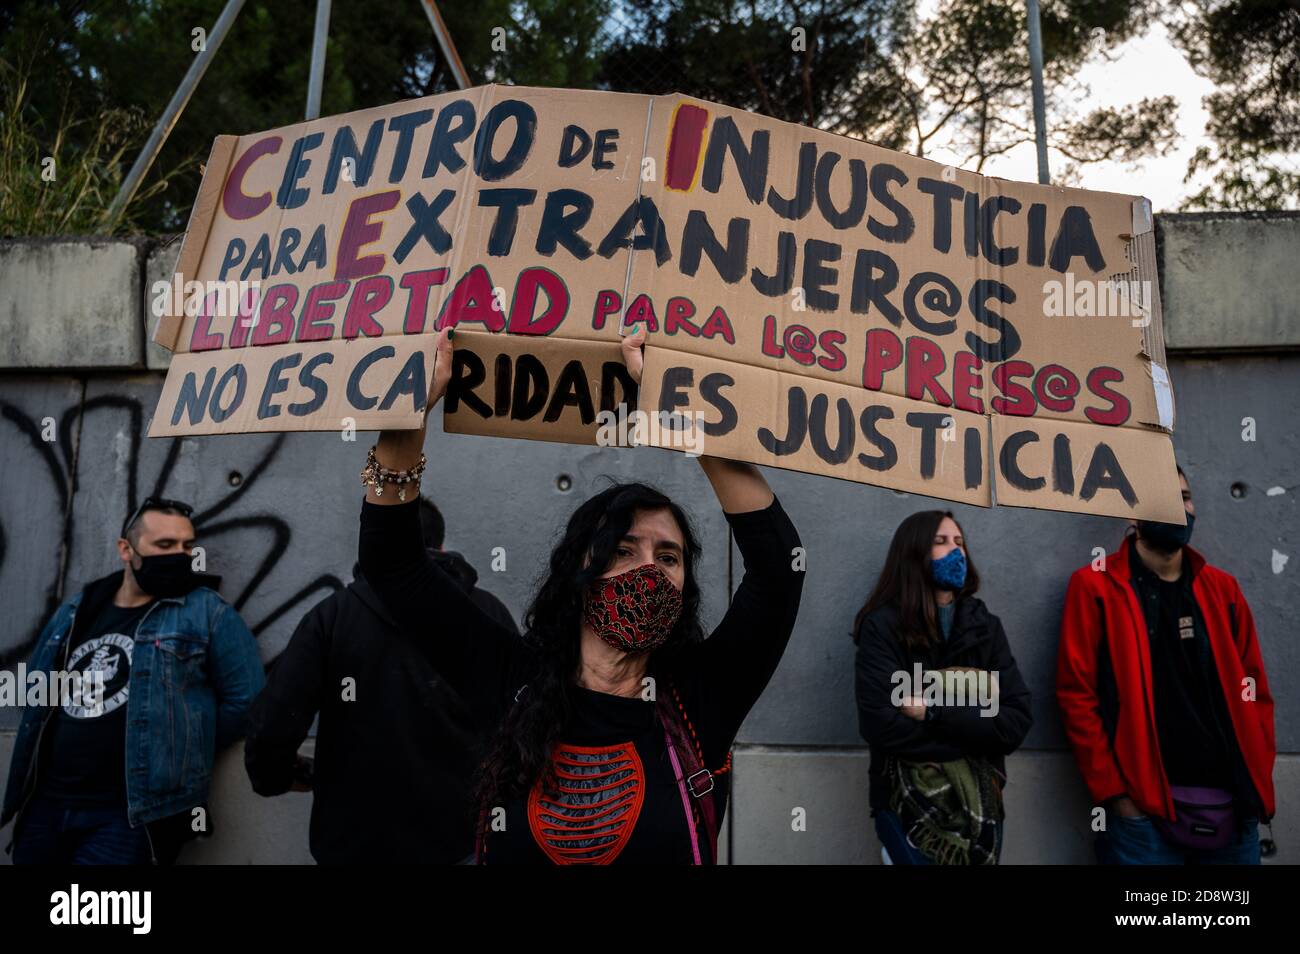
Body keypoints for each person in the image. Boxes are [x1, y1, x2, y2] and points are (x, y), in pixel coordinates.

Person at [354, 327, 803, 864]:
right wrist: (409, 413)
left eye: (668, 557)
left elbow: (780, 569)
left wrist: (685, 413)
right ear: (579, 569)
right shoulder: (512, 684)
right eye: (623, 550)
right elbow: (395, 565)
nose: (647, 570)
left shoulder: (700, 701)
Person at [244, 496, 519, 864]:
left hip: (355, 842)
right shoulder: (488, 612)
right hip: (458, 838)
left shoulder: (334, 615)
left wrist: (276, 776)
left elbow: (276, 721)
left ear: (374, 539)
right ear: (439, 545)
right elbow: (523, 722)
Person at [2, 497, 264, 865]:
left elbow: (247, 700)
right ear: (126, 549)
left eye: (186, 546)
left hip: (129, 816)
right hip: (45, 804)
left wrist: (182, 744)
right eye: (164, 545)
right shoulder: (80, 609)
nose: (179, 554)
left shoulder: (207, 612)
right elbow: (40, 692)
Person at [1057, 466, 1274, 864]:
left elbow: (1255, 689)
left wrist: (1257, 775)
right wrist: (1117, 797)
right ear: (1133, 515)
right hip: (1145, 820)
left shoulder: (1222, 590)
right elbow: (1077, 695)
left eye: (1186, 498)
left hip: (1233, 812)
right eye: (1165, 498)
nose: (1179, 509)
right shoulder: (1095, 587)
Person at [853, 511, 1032, 865]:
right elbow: (881, 725)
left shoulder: (985, 627)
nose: (956, 551)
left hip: (980, 811)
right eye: (941, 542)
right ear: (913, 553)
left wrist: (932, 712)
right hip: (907, 809)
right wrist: (976, 731)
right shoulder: (883, 627)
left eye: (960, 542)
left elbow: (1015, 722)